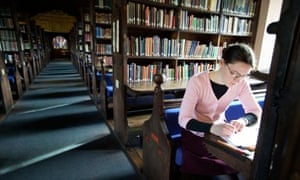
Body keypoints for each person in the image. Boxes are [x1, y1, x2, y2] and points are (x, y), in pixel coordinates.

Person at [178, 43, 262, 179]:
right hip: (196, 133)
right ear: (222, 62)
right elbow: (184, 119)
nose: (237, 80)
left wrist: (243, 120)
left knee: (244, 162)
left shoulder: (241, 83)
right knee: (231, 165)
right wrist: (211, 128)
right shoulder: (197, 81)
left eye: (243, 76)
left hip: (221, 134)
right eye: (234, 73)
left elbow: (255, 111)